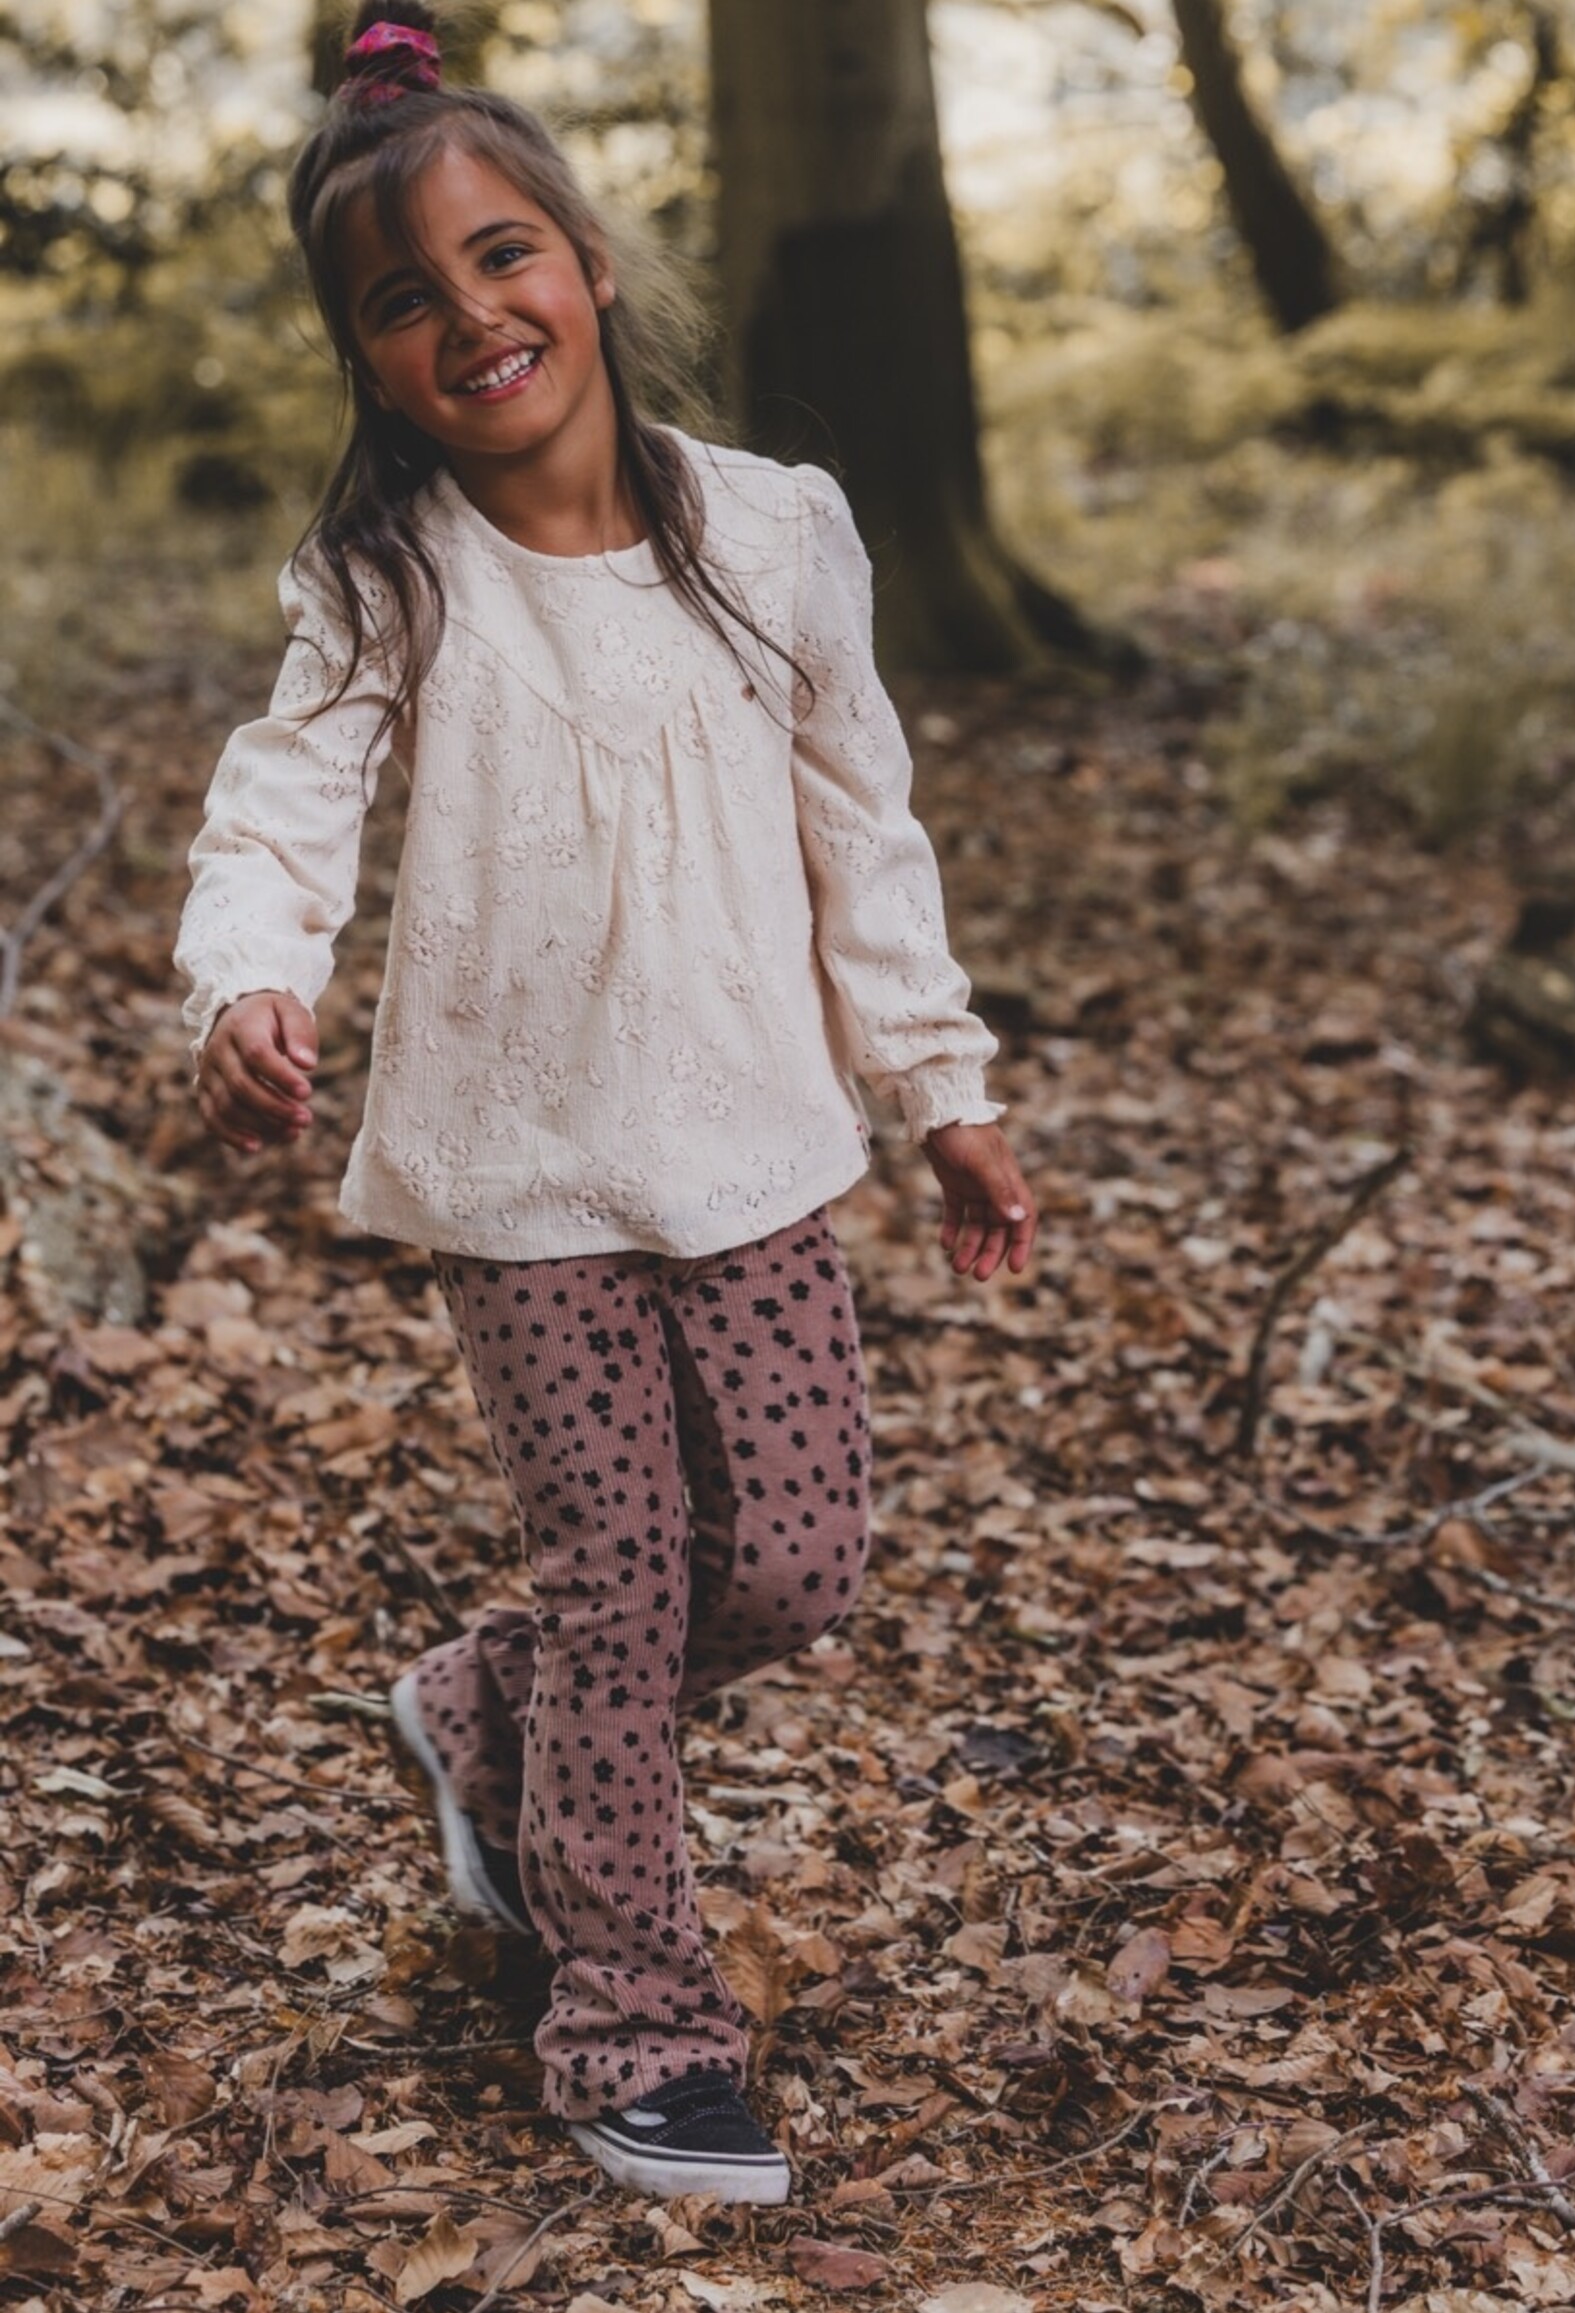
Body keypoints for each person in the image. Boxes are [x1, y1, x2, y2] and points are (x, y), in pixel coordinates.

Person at [174, 0, 1038, 2208]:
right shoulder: (392, 580)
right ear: (367, 360)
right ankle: (634, 2021)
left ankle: (488, 1705)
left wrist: (939, 1085)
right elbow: (283, 805)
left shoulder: (773, 536)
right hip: (522, 1170)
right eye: (402, 298)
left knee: (799, 1568)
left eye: (501, 257)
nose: (467, 313)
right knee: (631, 1581)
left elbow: (869, 823)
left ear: (589, 267)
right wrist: (249, 976)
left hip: (752, 1150)